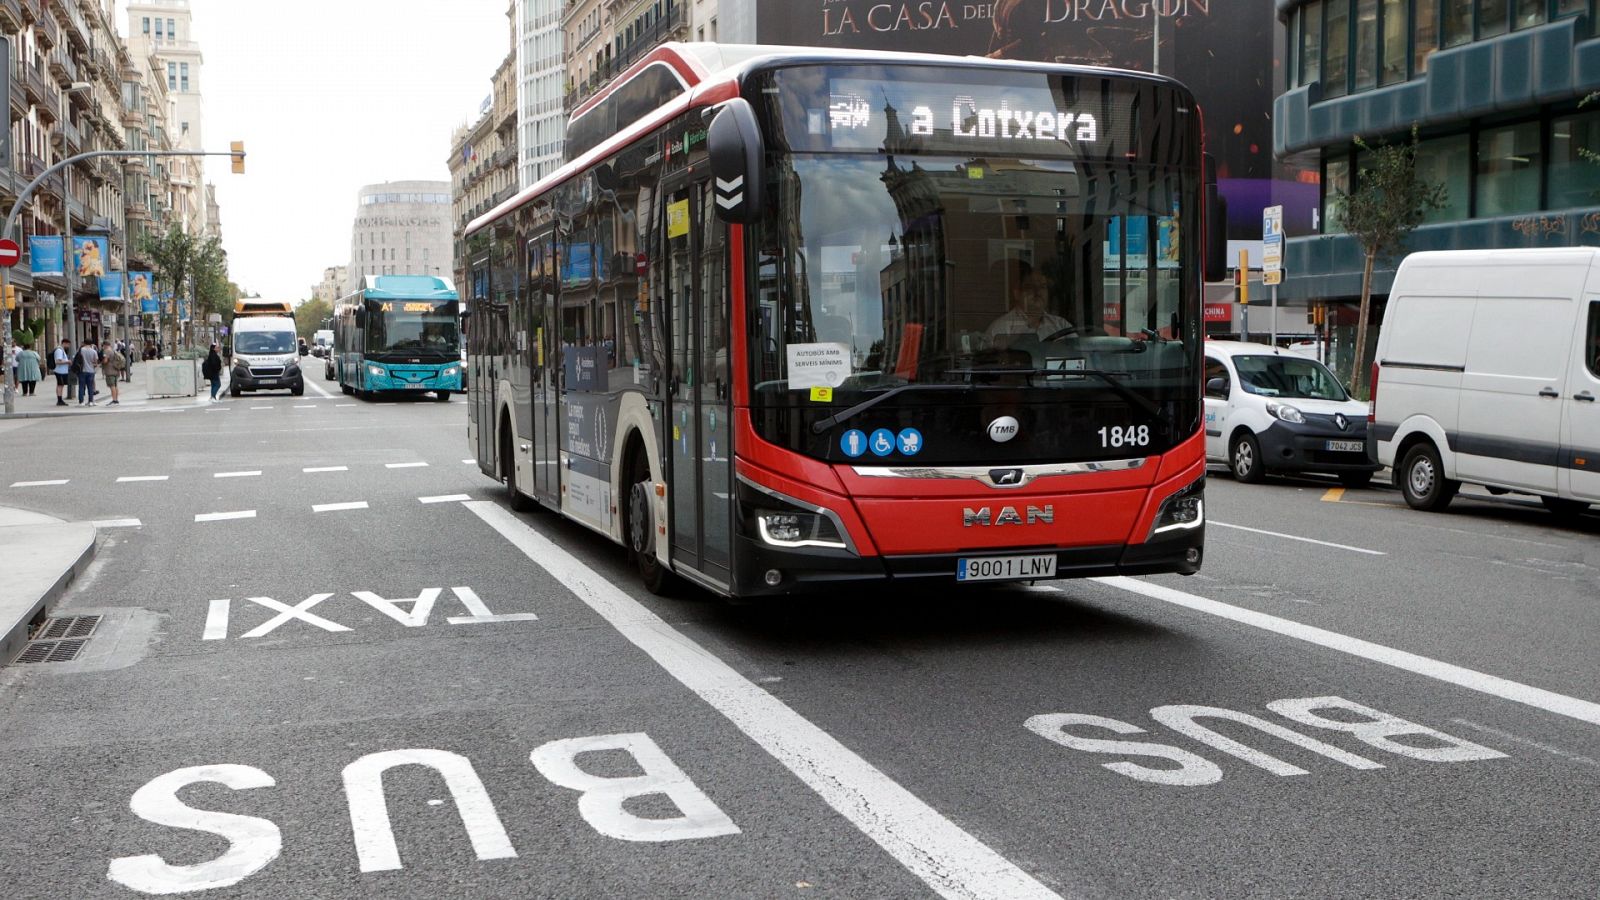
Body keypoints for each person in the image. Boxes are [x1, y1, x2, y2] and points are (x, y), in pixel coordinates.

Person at [985, 270, 1074, 346]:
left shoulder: (1062, 326)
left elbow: (1081, 358)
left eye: (1043, 286)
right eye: (1030, 287)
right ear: (1017, 293)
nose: (1037, 291)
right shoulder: (1000, 328)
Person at [100, 340, 124, 405]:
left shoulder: (106, 351)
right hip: (116, 370)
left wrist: (101, 363)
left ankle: (114, 400)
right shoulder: (113, 350)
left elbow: (105, 360)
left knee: (112, 386)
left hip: (109, 370)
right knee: (115, 385)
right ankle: (116, 399)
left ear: (104, 345)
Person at [76, 339, 99, 405]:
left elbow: (77, 359)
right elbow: (96, 363)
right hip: (91, 371)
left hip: (82, 370)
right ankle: (91, 401)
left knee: (81, 386)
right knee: (90, 386)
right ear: (91, 344)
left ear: (84, 343)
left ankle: (81, 402)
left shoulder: (80, 350)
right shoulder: (94, 351)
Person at [52, 339, 72, 406]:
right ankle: (59, 400)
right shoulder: (59, 350)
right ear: (64, 343)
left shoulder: (61, 350)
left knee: (61, 385)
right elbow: (57, 361)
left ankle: (60, 399)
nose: (68, 346)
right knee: (60, 385)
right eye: (68, 344)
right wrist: (67, 361)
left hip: (62, 371)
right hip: (59, 371)